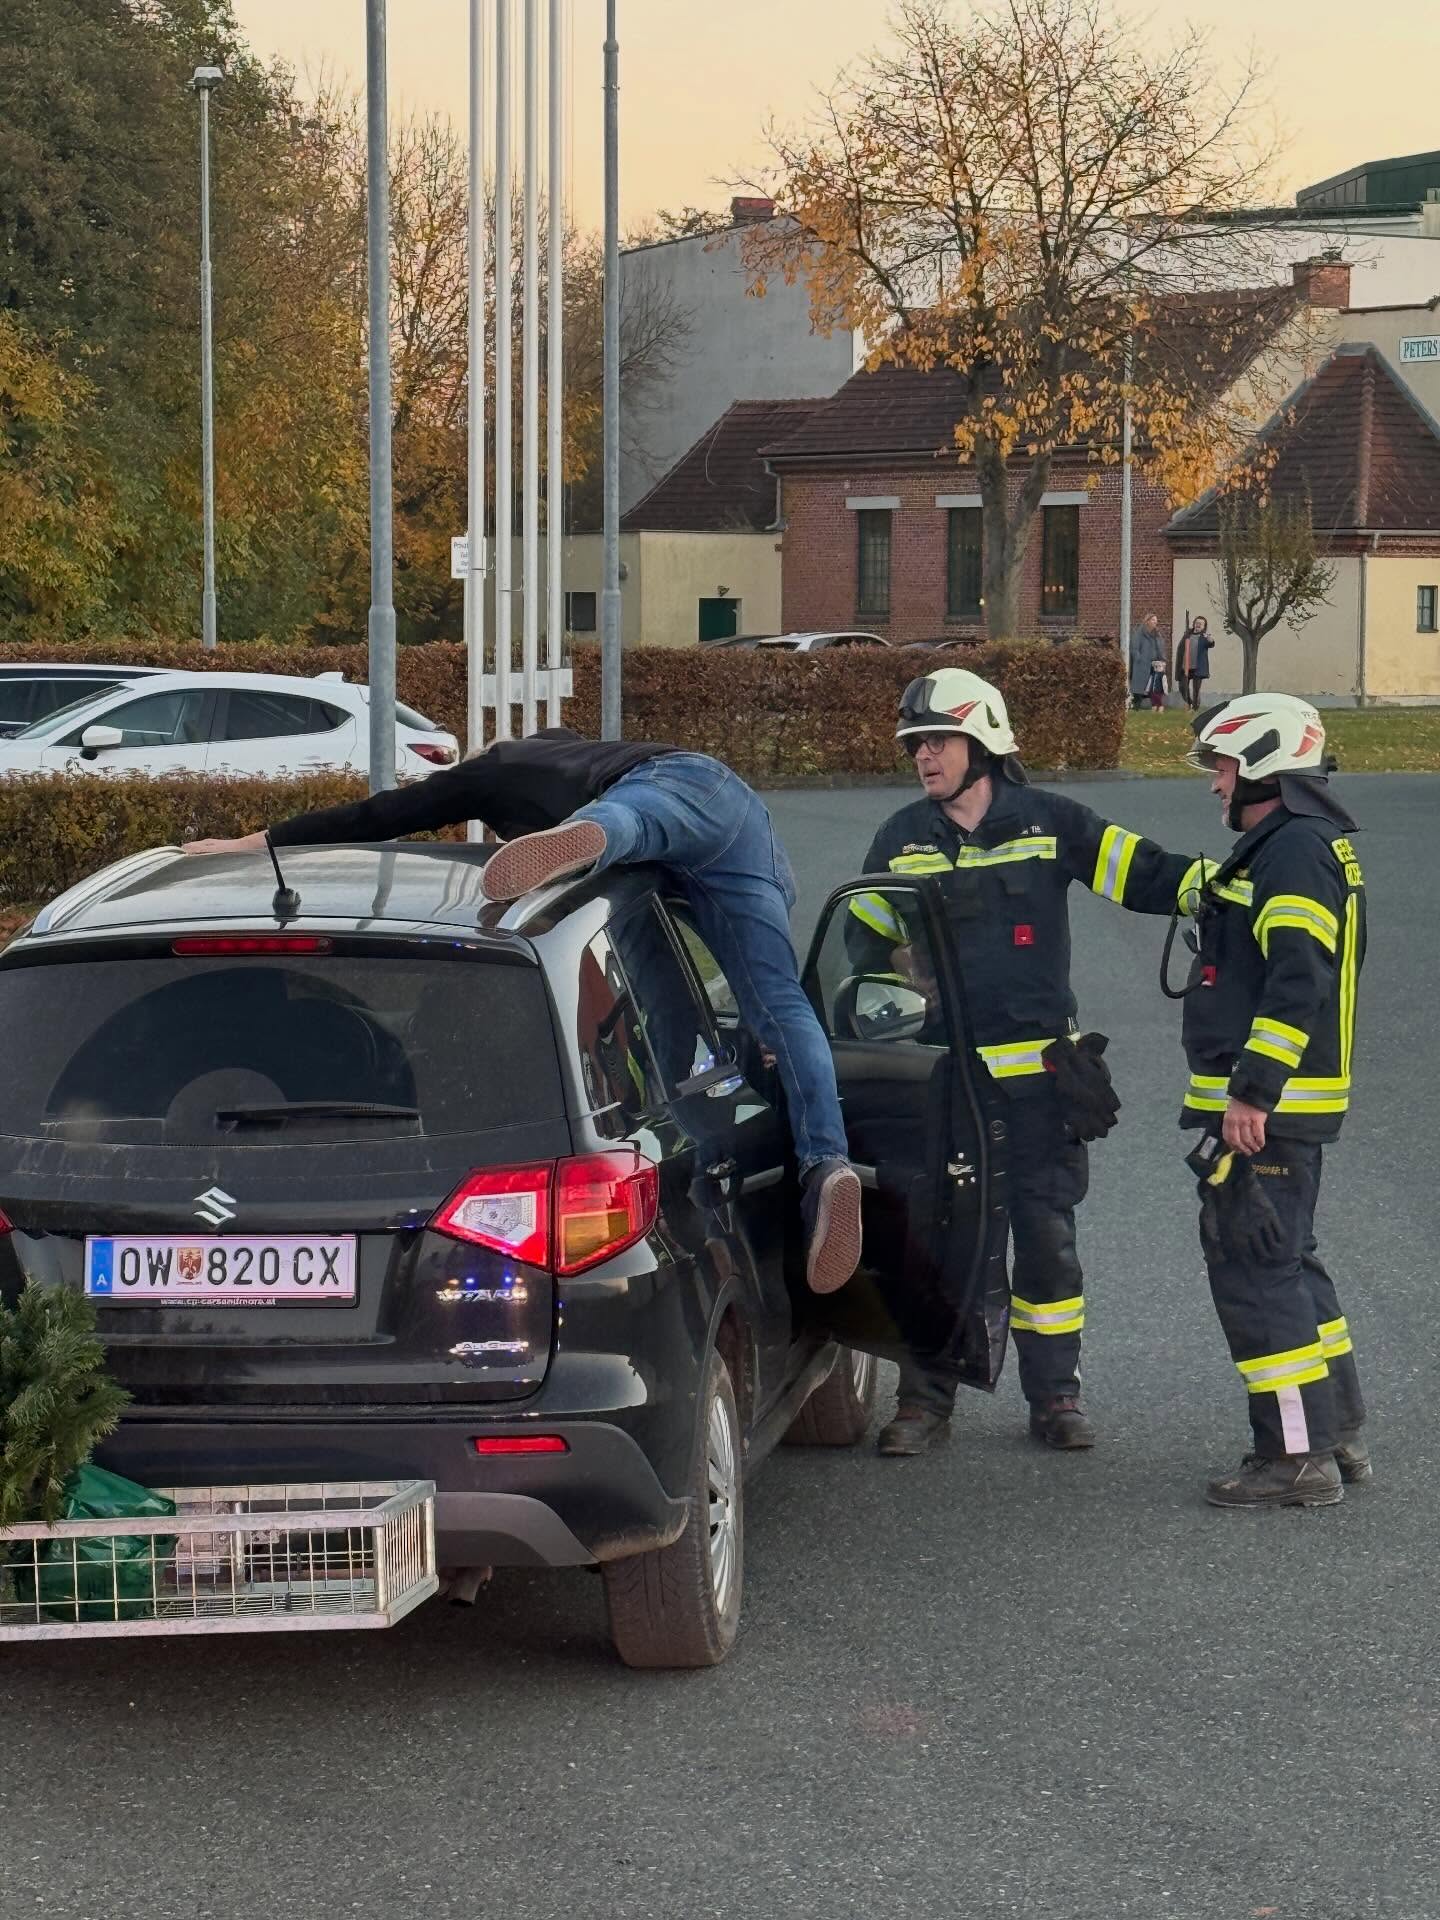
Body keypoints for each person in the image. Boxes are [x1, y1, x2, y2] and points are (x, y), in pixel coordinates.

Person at [182, 727, 862, 1294]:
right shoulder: (586, 751)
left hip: (666, 792)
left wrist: (256, 846)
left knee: (631, 821)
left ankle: (591, 837)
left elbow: (379, 816)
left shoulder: (501, 766)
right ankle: (825, 1163)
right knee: (772, 1005)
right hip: (711, 836)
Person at [847, 668, 1193, 1456]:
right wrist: (890, 973)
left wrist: (1225, 887)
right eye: (915, 745)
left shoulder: (1050, 822)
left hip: (1039, 1087)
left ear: (984, 741)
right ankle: (925, 1402)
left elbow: (1147, 875)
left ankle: (1056, 1398)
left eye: (937, 741)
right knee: (938, 1243)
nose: (924, 758)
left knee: (1045, 1242)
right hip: (945, 1089)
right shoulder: (900, 841)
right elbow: (859, 947)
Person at [1176, 693, 1367, 1509]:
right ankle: (1335, 1431)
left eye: (1223, 766)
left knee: (1256, 1270)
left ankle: (1294, 1456)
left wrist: (1252, 1092)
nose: (1216, 784)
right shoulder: (1292, 847)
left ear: (1262, 764)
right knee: (1288, 1266)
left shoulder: (1290, 853)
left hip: (1271, 1109)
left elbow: (1298, 981)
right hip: (1288, 1104)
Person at [1175, 614, 1213, 710]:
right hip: (1185, 667)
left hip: (1197, 667)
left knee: (1196, 689)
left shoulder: (1204, 637)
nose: (1198, 625)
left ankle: (1195, 708)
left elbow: (1211, 643)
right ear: (1194, 624)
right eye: (1197, 623)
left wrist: (1210, 639)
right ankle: (1190, 702)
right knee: (1182, 688)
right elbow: (1180, 648)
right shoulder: (1187, 635)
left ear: (1204, 627)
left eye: (1201, 624)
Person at [1129, 613, 1166, 710]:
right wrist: (1138, 658)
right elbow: (1134, 648)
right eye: (1153, 620)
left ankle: (1155, 705)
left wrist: (1162, 659)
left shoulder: (1157, 634)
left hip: (1155, 664)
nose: (1155, 622)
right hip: (1142, 663)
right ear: (1147, 621)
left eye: (1156, 620)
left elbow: (1160, 647)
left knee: (1154, 685)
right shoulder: (1139, 633)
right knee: (1139, 685)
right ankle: (1136, 706)